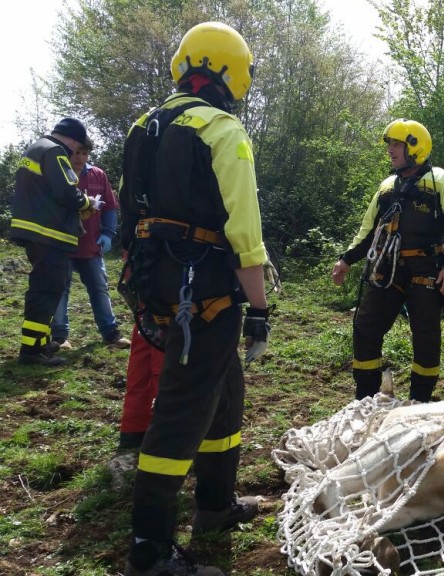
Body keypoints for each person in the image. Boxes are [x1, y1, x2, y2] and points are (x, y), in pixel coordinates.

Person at [117, 21, 269, 576]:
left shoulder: (144, 125)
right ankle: (150, 550)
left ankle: (214, 504)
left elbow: (131, 212)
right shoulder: (221, 129)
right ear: (227, 71)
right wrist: (259, 309)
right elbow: (245, 234)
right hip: (203, 288)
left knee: (223, 387)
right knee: (182, 409)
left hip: (159, 279)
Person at [331, 119, 444, 402]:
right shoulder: (386, 187)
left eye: (397, 144)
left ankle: (420, 399)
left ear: (415, 148)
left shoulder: (443, 181)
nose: (391, 150)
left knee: (425, 334)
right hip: (388, 267)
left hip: (427, 269)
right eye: (390, 144)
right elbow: (369, 230)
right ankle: (365, 396)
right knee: (365, 325)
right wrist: (346, 259)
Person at [11, 117, 101, 366]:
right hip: (49, 233)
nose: (76, 152)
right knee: (47, 291)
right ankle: (31, 352)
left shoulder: (36, 148)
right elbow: (64, 191)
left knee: (45, 288)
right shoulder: (55, 152)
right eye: (77, 146)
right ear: (72, 139)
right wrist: (87, 203)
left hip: (35, 230)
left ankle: (40, 342)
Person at [50, 138, 132, 350]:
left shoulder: (98, 175)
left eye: (84, 153)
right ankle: (59, 337)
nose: (80, 158)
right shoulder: (57, 175)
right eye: (76, 153)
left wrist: (108, 233)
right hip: (62, 245)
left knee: (99, 288)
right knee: (60, 289)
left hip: (91, 247)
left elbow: (110, 207)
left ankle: (110, 332)